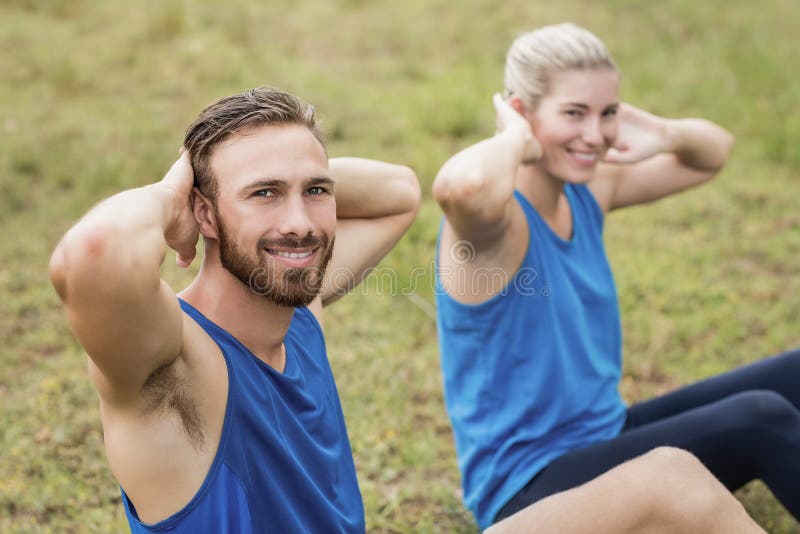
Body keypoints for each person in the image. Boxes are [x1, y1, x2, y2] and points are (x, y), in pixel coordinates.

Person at [433, 22, 800, 531]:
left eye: (607, 114)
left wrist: (665, 134)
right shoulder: (495, 229)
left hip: (607, 433)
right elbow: (463, 187)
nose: (595, 134)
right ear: (520, 113)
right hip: (532, 488)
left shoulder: (586, 190)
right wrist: (515, 139)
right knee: (761, 418)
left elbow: (713, 154)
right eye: (574, 113)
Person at [49, 86, 421, 532]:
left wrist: (280, 169)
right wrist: (170, 195)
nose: (300, 225)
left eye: (316, 191)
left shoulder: (298, 306)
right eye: (265, 193)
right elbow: (93, 252)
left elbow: (400, 193)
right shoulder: (177, 366)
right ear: (203, 214)